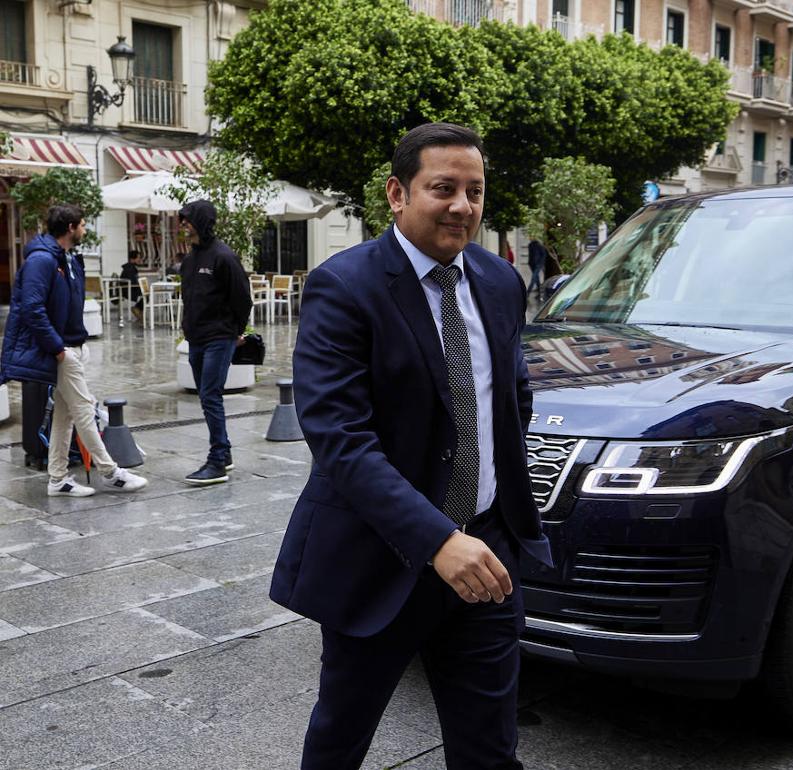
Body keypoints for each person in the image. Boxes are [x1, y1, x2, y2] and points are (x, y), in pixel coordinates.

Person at [270, 123, 551, 770]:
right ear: (397, 194)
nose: (462, 206)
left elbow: (511, 398)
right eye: (443, 188)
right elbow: (340, 440)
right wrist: (435, 539)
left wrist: (496, 518)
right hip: (380, 561)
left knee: (489, 748)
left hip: (484, 552)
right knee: (341, 737)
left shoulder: (501, 283)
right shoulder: (345, 287)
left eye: (475, 191)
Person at [0, 204, 148, 497]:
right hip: (62, 350)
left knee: (65, 415)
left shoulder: (66, 258)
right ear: (70, 228)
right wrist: (58, 349)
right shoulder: (42, 261)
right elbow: (32, 308)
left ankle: (57, 478)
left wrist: (78, 343)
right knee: (84, 409)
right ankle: (111, 472)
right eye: (82, 224)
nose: (84, 229)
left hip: (71, 346)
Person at [177, 200, 252, 486]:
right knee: (206, 396)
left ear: (201, 221)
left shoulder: (223, 257)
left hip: (219, 338)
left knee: (210, 396)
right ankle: (226, 451)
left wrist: (236, 331)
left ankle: (218, 460)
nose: (183, 224)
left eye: (187, 219)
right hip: (195, 338)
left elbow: (242, 297)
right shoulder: (190, 259)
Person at [120, 250, 144, 320]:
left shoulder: (128, 267)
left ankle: (138, 310)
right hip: (129, 290)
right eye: (138, 258)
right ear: (132, 259)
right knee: (147, 293)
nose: (139, 260)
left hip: (127, 289)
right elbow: (133, 282)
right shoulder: (130, 269)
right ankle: (137, 308)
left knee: (145, 292)